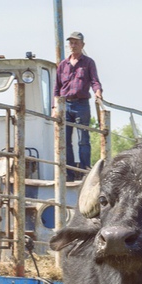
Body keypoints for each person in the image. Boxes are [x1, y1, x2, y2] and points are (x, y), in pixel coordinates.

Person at [55, 31, 102, 180]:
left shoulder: (88, 63)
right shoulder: (63, 64)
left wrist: (98, 92)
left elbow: (94, 81)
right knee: (66, 141)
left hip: (81, 104)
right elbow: (57, 88)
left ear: (82, 45)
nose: (73, 45)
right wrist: (54, 107)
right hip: (65, 105)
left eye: (76, 43)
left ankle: (84, 173)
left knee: (83, 139)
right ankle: (68, 174)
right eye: (71, 43)